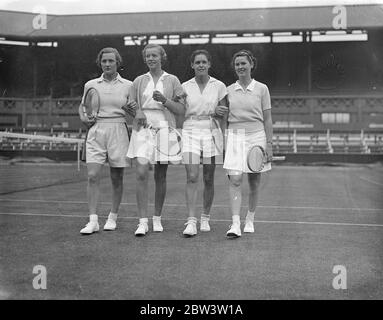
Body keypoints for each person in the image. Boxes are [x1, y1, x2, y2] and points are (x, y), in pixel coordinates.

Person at [126, 44, 185, 236]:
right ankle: (142, 221)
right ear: (145, 59)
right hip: (142, 129)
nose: (151, 59)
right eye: (148, 56)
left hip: (165, 127)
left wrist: (164, 100)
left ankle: (157, 218)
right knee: (141, 172)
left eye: (155, 56)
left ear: (162, 58)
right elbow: (129, 105)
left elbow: (181, 109)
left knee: (161, 175)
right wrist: (138, 111)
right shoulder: (138, 81)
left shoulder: (173, 80)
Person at [79, 47, 136, 235]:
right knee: (92, 176)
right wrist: (84, 118)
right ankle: (93, 220)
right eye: (104, 61)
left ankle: (113, 217)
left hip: (118, 129)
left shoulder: (129, 85)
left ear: (117, 62)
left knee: (116, 177)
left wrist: (132, 110)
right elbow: (83, 107)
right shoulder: (91, 84)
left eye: (111, 61)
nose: (107, 64)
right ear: (100, 63)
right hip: (96, 131)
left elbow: (135, 112)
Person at [222, 50, 273, 238]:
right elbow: (224, 118)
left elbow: (267, 119)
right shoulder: (227, 90)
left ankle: (249, 219)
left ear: (251, 64)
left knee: (254, 181)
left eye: (243, 63)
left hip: (257, 136)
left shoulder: (262, 89)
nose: (240, 67)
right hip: (235, 136)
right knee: (235, 180)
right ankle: (235, 223)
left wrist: (269, 144)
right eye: (237, 64)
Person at [181, 49, 228, 237]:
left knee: (208, 177)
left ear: (209, 64)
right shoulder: (184, 86)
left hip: (212, 130)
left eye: (204, 62)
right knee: (192, 176)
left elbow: (224, 112)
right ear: (192, 65)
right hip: (190, 129)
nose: (200, 65)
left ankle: (205, 217)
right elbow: (179, 109)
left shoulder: (219, 86)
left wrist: (221, 136)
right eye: (197, 62)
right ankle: (191, 221)